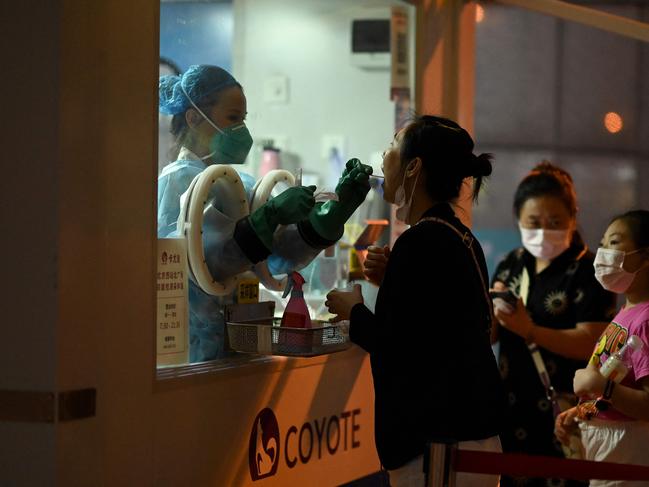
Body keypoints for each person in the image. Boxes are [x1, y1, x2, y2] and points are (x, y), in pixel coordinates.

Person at [325, 115, 507, 487]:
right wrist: (393, 278)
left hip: (439, 448)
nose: (383, 157)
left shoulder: (422, 240)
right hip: (468, 434)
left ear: (414, 167)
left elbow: (399, 347)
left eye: (392, 146)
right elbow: (438, 324)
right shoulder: (456, 235)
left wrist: (352, 311)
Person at [158, 64, 372, 362]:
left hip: (241, 345)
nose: (242, 131)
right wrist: (268, 216)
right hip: (195, 355)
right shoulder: (176, 183)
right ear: (194, 118)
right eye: (233, 119)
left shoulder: (238, 185)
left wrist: (332, 214)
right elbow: (203, 263)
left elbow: (277, 258)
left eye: (243, 120)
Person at [491, 162, 617, 486]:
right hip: (511, 407)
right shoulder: (511, 263)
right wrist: (493, 311)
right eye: (533, 222)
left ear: (573, 218)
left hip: (566, 413)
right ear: (518, 219)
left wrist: (529, 330)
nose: (543, 231)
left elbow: (592, 340)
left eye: (555, 222)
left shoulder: (589, 271)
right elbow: (491, 334)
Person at [555, 210, 649, 487]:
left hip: (629, 449)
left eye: (615, 243)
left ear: (645, 257)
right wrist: (582, 413)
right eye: (603, 242)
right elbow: (618, 384)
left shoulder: (645, 320)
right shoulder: (626, 313)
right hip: (610, 447)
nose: (603, 252)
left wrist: (601, 386)